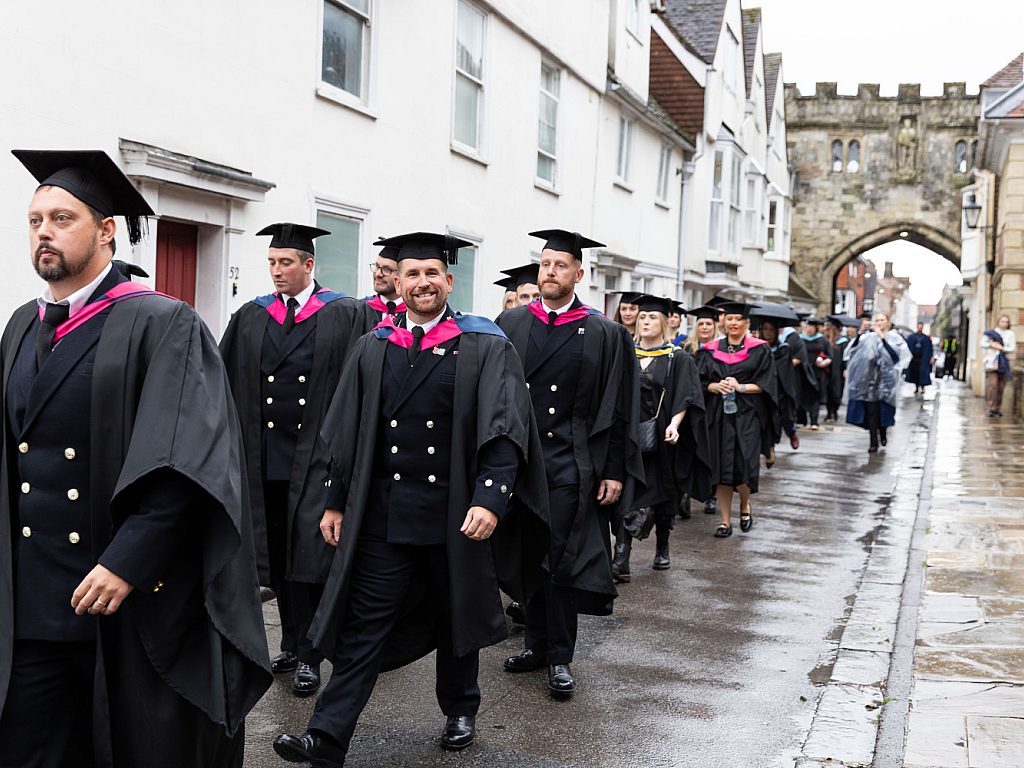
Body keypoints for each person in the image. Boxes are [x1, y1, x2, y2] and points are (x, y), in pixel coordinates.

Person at [0, 149, 271, 767]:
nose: (44, 231)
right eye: (35, 219)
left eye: (62, 218)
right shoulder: (20, 325)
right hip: (35, 601)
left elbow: (184, 459)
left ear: (105, 230)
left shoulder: (161, 322)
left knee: (128, 748)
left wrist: (125, 561)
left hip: (124, 596)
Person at [273, 232, 549, 766]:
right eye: (411, 274)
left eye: (432, 274)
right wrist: (335, 500)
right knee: (362, 626)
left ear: (448, 281)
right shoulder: (375, 344)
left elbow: (504, 427)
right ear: (397, 283)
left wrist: (491, 499)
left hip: (454, 512)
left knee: (457, 614)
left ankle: (461, 708)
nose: (422, 283)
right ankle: (325, 736)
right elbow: (348, 430)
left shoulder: (484, 343)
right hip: (384, 517)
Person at [219, 223, 375, 697]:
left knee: (310, 561)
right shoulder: (250, 315)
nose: (277, 271)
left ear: (309, 265)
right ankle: (289, 643)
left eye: (286, 263)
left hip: (317, 460)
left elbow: (362, 387)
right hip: (263, 458)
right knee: (279, 559)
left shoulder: (346, 313)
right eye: (271, 262)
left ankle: (311, 655)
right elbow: (223, 377)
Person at [497, 229, 641, 699]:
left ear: (579, 273)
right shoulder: (511, 324)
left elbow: (620, 409)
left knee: (558, 558)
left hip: (569, 462)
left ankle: (559, 656)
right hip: (518, 460)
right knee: (525, 554)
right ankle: (536, 645)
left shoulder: (604, 333)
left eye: (560, 265)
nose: (550, 272)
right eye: (544, 264)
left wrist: (615, 470)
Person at [613, 295, 709, 578]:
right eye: (642, 317)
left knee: (663, 495)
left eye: (652, 317)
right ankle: (621, 558)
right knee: (625, 494)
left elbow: (686, 394)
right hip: (630, 436)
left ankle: (662, 546)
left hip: (662, 438)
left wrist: (676, 424)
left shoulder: (676, 357)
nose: (645, 322)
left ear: (665, 322)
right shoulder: (626, 353)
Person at [697, 302, 777, 538]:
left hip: (747, 414)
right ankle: (724, 521)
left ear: (746, 323)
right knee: (721, 467)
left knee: (743, 465)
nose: (732, 323)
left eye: (737, 319)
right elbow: (699, 383)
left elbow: (767, 384)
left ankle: (744, 505)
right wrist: (713, 386)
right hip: (718, 414)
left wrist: (740, 386)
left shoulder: (760, 350)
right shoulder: (709, 350)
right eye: (729, 319)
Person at [844, 313, 912, 452]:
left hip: (886, 382)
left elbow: (895, 357)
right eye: (877, 320)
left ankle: (883, 431)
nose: (879, 322)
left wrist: (882, 336)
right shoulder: (868, 337)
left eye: (882, 320)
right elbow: (852, 351)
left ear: (888, 322)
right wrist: (860, 332)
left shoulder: (894, 338)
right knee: (871, 413)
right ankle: (873, 443)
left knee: (884, 412)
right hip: (869, 382)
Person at [682, 306, 723, 518]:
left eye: (708, 324)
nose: (705, 327)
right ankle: (685, 494)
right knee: (689, 450)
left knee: (712, 451)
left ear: (715, 326)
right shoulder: (688, 348)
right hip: (690, 407)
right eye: (701, 324)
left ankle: (711, 495)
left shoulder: (722, 350)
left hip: (713, 409)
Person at [756, 318, 802, 456]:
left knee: (785, 417)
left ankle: (792, 432)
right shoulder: (757, 349)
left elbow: (783, 371)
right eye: (765, 329)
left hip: (781, 390)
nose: (768, 333)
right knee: (766, 420)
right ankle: (769, 447)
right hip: (763, 389)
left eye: (771, 330)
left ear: (777, 332)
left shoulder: (784, 349)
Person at [796, 318, 832, 430]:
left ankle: (814, 421)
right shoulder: (800, 339)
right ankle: (801, 419)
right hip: (803, 371)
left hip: (817, 371)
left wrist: (825, 362)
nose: (809, 329)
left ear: (816, 328)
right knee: (801, 394)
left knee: (814, 395)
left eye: (811, 327)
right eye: (807, 327)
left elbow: (830, 355)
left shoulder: (822, 340)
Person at [362, 241, 406, 320]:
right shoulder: (361, 309)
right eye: (376, 267)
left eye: (386, 269)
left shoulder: (415, 314)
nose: (378, 274)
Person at [982, 314, 1016, 417]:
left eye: (1006, 322)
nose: (1004, 323)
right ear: (998, 322)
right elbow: (982, 344)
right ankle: (991, 408)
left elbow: (1012, 348)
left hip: (1004, 363)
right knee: (993, 385)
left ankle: (997, 408)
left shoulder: (1010, 334)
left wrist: (1001, 348)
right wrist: (991, 345)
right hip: (992, 362)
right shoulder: (991, 333)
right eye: (1002, 321)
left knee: (1001, 386)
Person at [823, 318, 847, 422]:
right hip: (827, 370)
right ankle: (829, 412)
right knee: (827, 391)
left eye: (830, 327)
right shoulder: (825, 340)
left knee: (836, 392)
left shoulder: (842, 341)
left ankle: (835, 411)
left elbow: (846, 356)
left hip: (838, 369)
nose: (828, 329)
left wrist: (845, 368)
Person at [904, 322, 934, 395]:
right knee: (915, 374)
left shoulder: (926, 338)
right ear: (917, 327)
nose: (920, 328)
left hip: (923, 359)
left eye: (921, 327)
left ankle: (922, 387)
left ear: (922, 328)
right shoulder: (912, 337)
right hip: (914, 359)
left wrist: (931, 357)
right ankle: (917, 387)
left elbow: (930, 349)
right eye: (919, 327)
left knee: (922, 373)